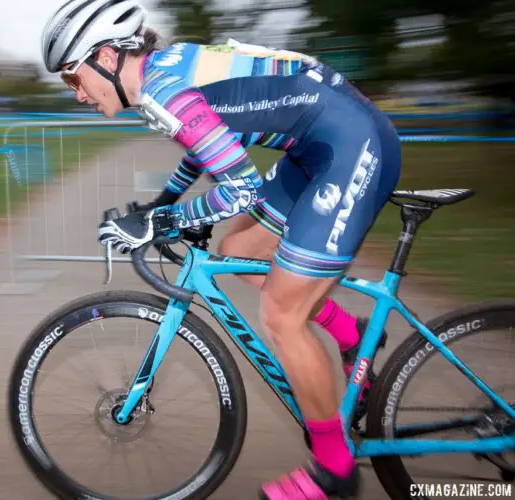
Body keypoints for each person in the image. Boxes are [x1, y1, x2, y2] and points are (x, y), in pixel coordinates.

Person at [41, 0, 401, 498]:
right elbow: (203, 147)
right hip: (314, 147)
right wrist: (161, 205)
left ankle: (335, 469)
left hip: (351, 145)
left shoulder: (166, 90)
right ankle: (349, 333)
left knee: (281, 316)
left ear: (105, 57)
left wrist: (163, 220)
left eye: (72, 77)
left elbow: (243, 188)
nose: (76, 94)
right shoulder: (158, 80)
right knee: (241, 248)